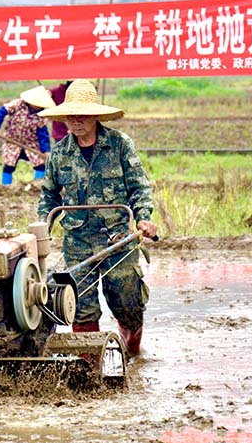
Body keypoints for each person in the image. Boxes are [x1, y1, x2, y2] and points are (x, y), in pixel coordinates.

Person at [37, 79, 157, 355]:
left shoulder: (119, 145)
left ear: (95, 116)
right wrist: (43, 225)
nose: (76, 121)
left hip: (117, 240)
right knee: (80, 307)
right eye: (71, 115)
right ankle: (90, 365)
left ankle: (132, 347)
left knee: (127, 299)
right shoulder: (60, 154)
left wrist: (143, 218)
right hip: (78, 242)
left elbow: (139, 187)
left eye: (83, 115)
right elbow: (49, 196)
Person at [0, 85, 55, 185]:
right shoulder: (17, 104)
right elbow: (1, 112)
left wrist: (45, 150)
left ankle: (37, 185)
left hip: (31, 143)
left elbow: (43, 134)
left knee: (40, 164)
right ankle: (6, 186)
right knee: (9, 165)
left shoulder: (41, 115)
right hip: (12, 140)